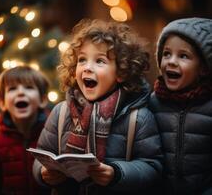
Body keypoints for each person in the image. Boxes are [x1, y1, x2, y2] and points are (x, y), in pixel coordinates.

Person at [33, 18, 162, 195]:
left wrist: (117, 174)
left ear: (121, 72)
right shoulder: (61, 112)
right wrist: (42, 172)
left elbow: (152, 166)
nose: (87, 68)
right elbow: (42, 154)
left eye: (99, 61)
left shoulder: (138, 118)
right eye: (82, 60)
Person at [149, 17, 212, 195]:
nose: (171, 61)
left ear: (204, 68)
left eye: (183, 56)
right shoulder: (153, 103)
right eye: (166, 54)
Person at [0, 65, 51, 195]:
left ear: (42, 100)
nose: (20, 92)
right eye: (12, 89)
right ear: (2, 103)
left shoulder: (52, 134)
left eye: (29, 87)